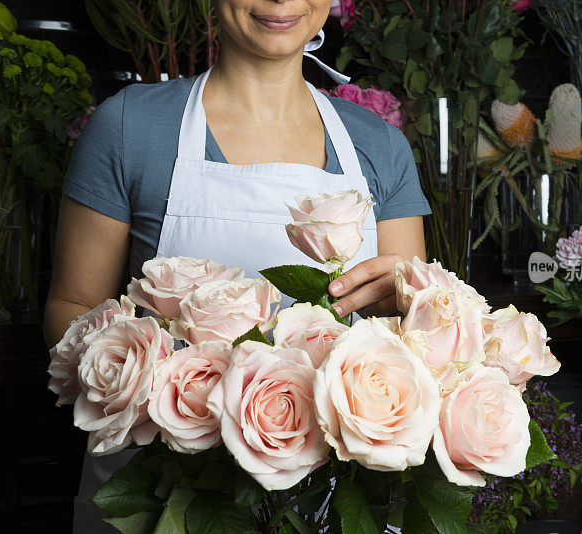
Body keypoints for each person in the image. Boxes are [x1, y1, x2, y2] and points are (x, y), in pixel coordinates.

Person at [43, 0, 430, 530]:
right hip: (162, 493)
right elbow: (71, 306)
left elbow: (417, 339)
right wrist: (163, 394)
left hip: (336, 500)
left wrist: (404, 305)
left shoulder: (380, 146)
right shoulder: (132, 126)